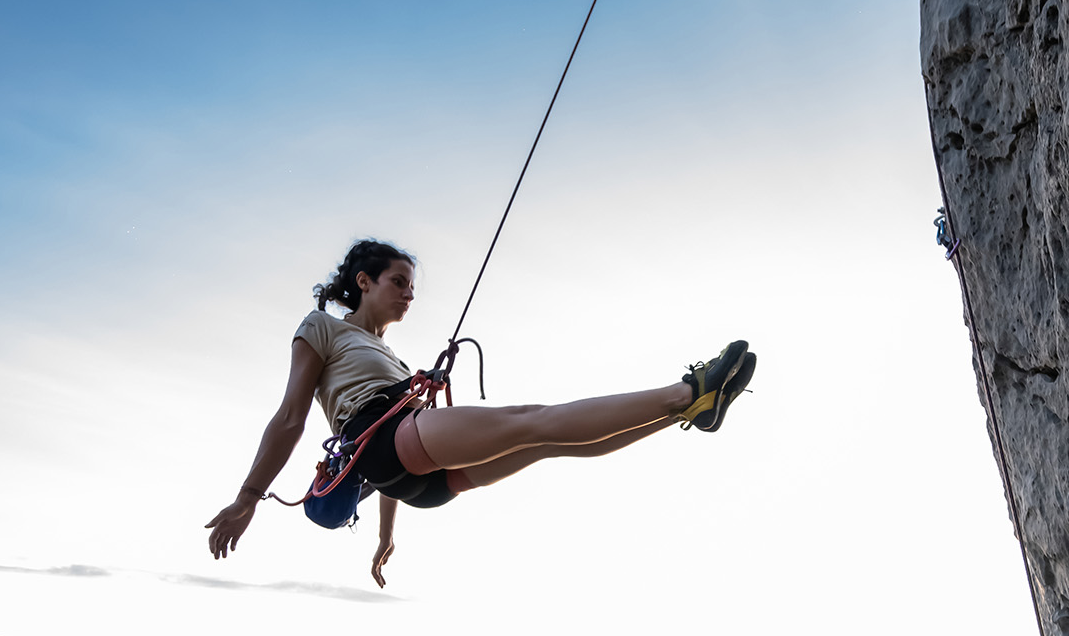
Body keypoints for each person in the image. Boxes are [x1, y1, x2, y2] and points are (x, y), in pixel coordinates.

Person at [205, 239, 754, 586]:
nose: (409, 295)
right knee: (532, 420)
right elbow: (291, 418)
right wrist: (247, 498)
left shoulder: (393, 359)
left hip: (410, 473)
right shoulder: (321, 327)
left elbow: (389, 472)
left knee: (545, 442)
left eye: (413, 288)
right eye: (399, 282)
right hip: (386, 439)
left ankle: (693, 409)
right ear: (363, 281)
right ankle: (688, 391)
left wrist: (384, 536)